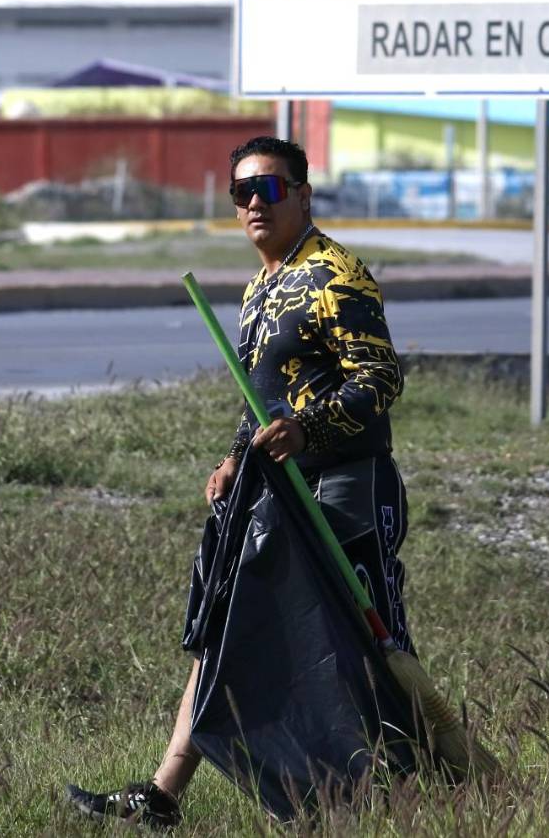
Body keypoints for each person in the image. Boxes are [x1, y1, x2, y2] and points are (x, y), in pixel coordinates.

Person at [66, 136, 412, 830]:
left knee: (362, 648)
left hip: (346, 487)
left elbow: (380, 379)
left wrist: (308, 430)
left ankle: (420, 791)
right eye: (243, 191)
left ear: (303, 195)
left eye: (271, 188)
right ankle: (162, 794)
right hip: (280, 494)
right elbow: (263, 398)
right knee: (227, 621)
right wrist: (233, 457)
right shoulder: (262, 286)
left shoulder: (336, 274)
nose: (256, 202)